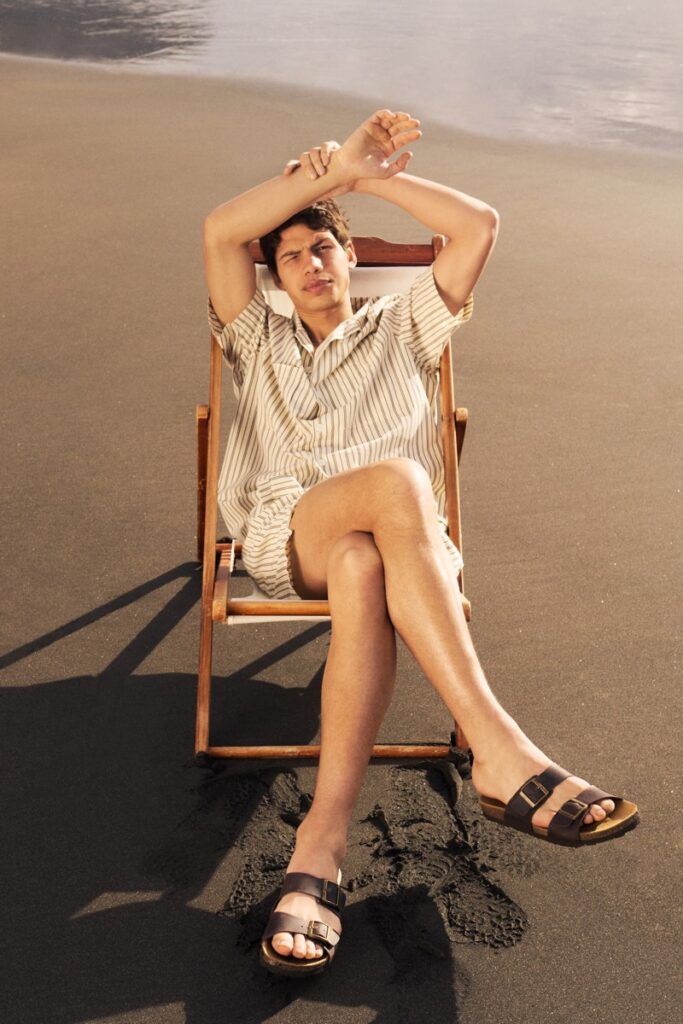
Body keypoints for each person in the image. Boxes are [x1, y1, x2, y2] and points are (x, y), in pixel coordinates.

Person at [203, 109, 639, 977]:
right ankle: (498, 747)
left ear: (350, 257)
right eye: (290, 257)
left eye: (323, 247)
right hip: (290, 537)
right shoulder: (257, 334)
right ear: (275, 278)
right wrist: (329, 171)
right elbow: (220, 230)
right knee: (399, 481)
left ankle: (319, 850)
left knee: (366, 558)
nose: (310, 263)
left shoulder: (402, 323)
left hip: (389, 558)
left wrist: (369, 180)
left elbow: (477, 225)